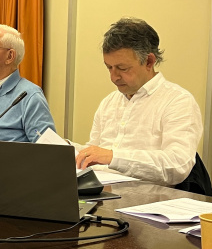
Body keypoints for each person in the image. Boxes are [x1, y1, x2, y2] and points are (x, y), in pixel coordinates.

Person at [73, 17, 203, 186]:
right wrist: (72, 151)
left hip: (150, 202)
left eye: (122, 68)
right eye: (109, 68)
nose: (113, 77)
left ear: (149, 61)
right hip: (104, 194)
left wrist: (114, 157)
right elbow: (97, 153)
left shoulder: (178, 101)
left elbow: (177, 165)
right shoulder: (109, 102)